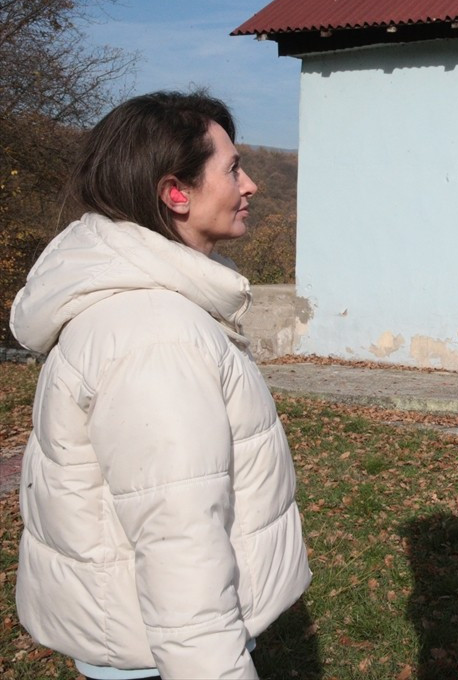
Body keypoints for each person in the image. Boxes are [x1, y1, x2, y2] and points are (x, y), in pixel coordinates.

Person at [8, 91, 312, 680]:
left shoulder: (145, 309)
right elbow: (180, 537)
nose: (250, 185)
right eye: (232, 169)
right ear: (176, 193)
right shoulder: (154, 333)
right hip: (165, 655)